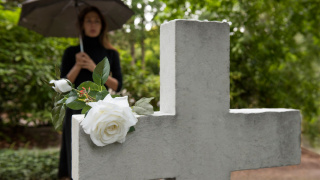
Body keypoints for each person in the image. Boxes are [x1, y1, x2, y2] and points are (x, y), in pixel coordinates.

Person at [58, 6, 122, 179]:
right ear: (82, 25)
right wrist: (77, 66)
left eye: (97, 21)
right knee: (76, 156)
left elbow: (118, 85)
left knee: (100, 154)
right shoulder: (72, 52)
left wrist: (95, 69)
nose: (93, 24)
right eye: (88, 20)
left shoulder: (111, 53)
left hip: (101, 111)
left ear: (102, 25)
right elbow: (63, 85)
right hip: (75, 110)